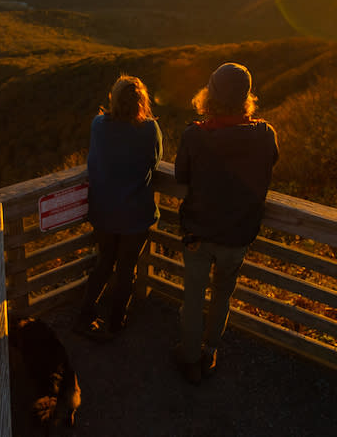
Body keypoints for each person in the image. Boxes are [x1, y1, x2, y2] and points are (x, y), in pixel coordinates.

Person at [173, 62, 279, 384]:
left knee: (193, 297)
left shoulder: (194, 136)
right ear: (246, 97)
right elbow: (268, 165)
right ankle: (210, 351)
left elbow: (181, 176)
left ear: (210, 95)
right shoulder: (264, 135)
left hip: (198, 234)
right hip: (237, 235)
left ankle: (190, 359)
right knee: (222, 295)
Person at [74, 75, 163, 342]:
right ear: (141, 102)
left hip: (103, 212)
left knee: (104, 263)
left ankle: (86, 315)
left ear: (113, 99)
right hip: (135, 216)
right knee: (127, 268)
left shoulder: (99, 125)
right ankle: (116, 320)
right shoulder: (149, 130)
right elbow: (154, 162)